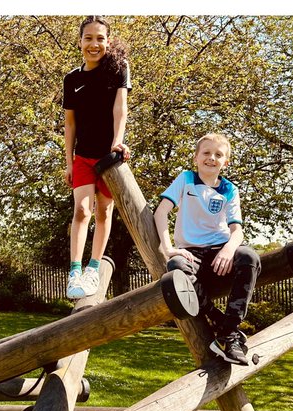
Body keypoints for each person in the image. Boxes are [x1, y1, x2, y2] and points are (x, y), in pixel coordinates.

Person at [154, 132, 261, 366]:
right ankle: (218, 320)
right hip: (191, 253)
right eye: (206, 153)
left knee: (249, 256)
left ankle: (229, 333)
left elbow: (237, 230)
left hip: (219, 252)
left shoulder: (229, 189)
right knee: (176, 267)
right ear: (196, 157)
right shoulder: (186, 179)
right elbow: (161, 212)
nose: (211, 158)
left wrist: (228, 249)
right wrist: (168, 248)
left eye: (218, 155)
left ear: (226, 162)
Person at [63, 16, 131, 300]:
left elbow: (120, 109)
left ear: (108, 41)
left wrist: (118, 141)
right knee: (82, 211)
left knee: (103, 213)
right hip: (83, 157)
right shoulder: (72, 79)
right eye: (88, 38)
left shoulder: (118, 69)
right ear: (80, 42)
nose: (94, 44)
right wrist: (69, 162)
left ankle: (93, 267)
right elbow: (70, 124)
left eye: (100, 38)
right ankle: (75, 271)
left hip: (109, 158)